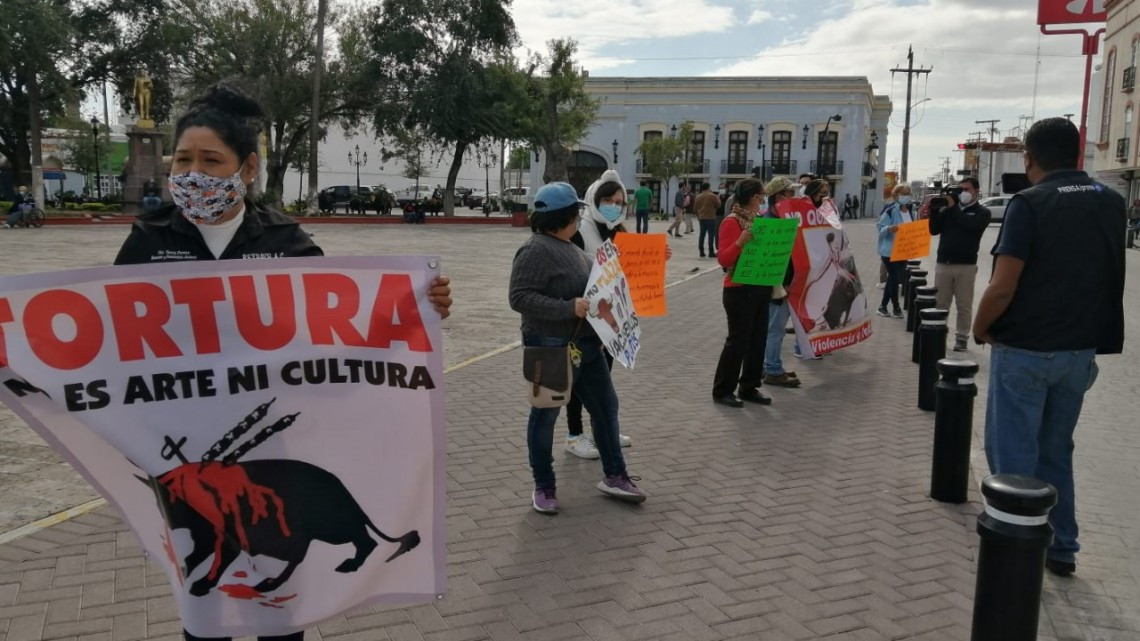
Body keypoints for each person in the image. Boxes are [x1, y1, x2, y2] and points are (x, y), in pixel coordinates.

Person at [973, 117, 1125, 578]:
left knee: (1013, 454)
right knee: (1056, 450)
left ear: (1029, 157)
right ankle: (1062, 547)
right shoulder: (1112, 202)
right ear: (1079, 154)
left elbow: (1002, 285)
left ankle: (1015, 556)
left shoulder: (1030, 202)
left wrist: (981, 328)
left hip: (1026, 348)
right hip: (1080, 350)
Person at [509, 182, 647, 513]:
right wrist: (567, 308)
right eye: (575, 214)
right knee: (545, 414)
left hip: (586, 345)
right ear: (566, 217)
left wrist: (601, 333)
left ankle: (615, 474)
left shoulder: (572, 248)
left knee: (606, 407)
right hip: (549, 346)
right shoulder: (535, 251)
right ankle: (544, 486)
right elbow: (519, 297)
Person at [563, 170, 662, 458]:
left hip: (610, 322)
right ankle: (574, 435)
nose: (614, 206)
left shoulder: (620, 232)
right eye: (607, 199)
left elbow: (630, 272)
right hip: (583, 322)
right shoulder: (580, 231)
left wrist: (656, 259)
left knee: (602, 380)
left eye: (619, 201)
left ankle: (603, 429)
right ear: (594, 199)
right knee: (579, 382)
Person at [712, 178, 773, 408]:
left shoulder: (759, 221)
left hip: (759, 286)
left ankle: (749, 386)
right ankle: (723, 389)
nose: (762, 201)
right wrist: (739, 243)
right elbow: (724, 259)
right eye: (760, 196)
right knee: (738, 341)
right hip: (738, 290)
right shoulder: (731, 222)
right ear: (751, 197)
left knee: (758, 340)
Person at [928, 177, 991, 351]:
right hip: (944, 264)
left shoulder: (982, 212)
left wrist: (953, 208)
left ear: (976, 191)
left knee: (963, 304)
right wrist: (934, 210)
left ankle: (962, 338)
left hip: (966, 266)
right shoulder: (949, 210)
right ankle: (939, 334)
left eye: (967, 189)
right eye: (960, 189)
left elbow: (970, 226)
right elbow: (934, 230)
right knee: (941, 303)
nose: (962, 193)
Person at [760, 176, 801, 388]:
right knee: (775, 329)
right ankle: (773, 369)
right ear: (778, 197)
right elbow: (773, 261)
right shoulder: (771, 224)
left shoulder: (779, 221)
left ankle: (767, 366)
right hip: (777, 287)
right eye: (789, 194)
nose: (793, 197)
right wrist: (784, 283)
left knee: (771, 329)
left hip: (782, 284)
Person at [876, 184, 913, 318]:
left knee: (893, 278)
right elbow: (880, 229)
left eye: (907, 194)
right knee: (895, 278)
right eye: (902, 194)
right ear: (896, 196)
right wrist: (888, 229)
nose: (905, 196)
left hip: (903, 251)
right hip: (889, 251)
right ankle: (896, 307)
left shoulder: (910, 211)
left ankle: (883, 306)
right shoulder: (891, 210)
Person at [694, 181, 720, 258]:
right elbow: (718, 205)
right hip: (711, 217)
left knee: (702, 234)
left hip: (702, 218)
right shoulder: (712, 196)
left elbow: (695, 209)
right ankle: (711, 252)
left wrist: (698, 216)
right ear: (708, 187)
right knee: (711, 235)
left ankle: (701, 251)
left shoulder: (698, 197)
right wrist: (718, 198)